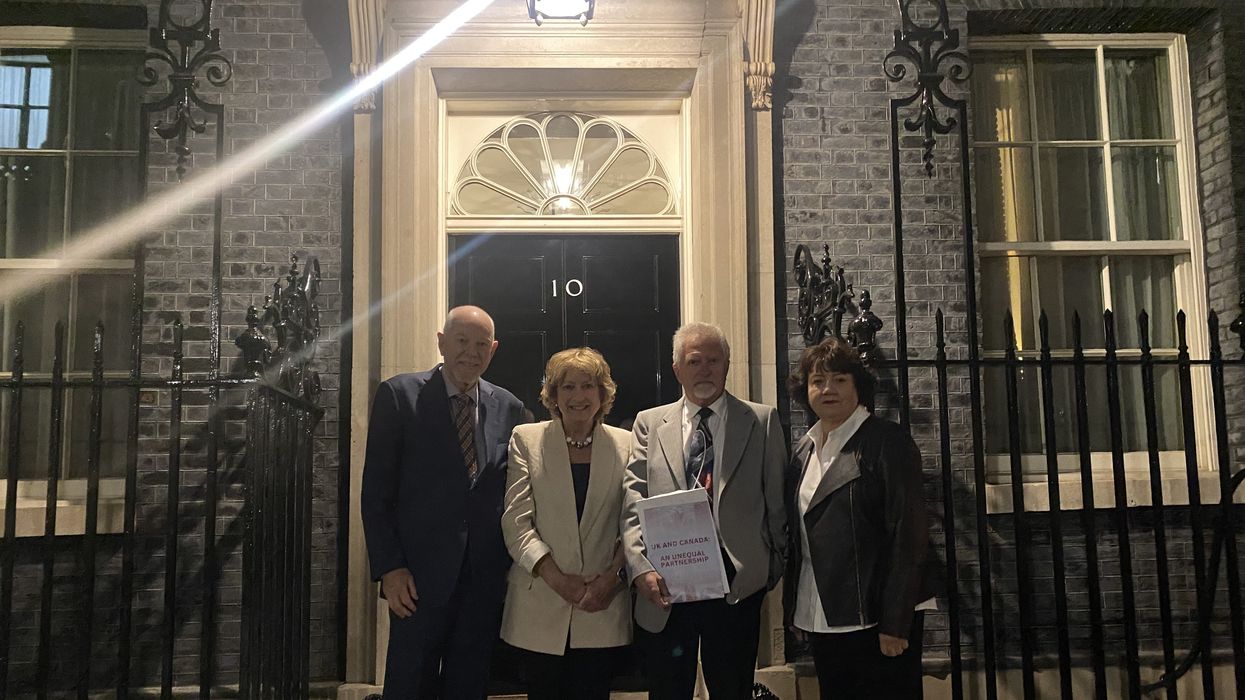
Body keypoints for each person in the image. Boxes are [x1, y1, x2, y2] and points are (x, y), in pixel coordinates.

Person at [360, 305, 527, 699]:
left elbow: (512, 492)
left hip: (482, 581)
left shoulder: (510, 407)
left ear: (494, 348)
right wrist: (390, 568)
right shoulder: (398, 396)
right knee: (409, 683)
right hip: (415, 579)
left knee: (469, 685)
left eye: (481, 344)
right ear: (441, 342)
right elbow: (376, 492)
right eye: (461, 341)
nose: (471, 352)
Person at [620, 322, 788, 700]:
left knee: (732, 688)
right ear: (677, 368)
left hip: (737, 581)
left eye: (714, 360)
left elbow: (776, 500)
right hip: (666, 580)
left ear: (727, 365)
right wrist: (639, 567)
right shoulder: (649, 424)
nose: (705, 369)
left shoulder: (761, 421)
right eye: (695, 361)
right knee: (668, 689)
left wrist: (772, 566)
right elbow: (633, 501)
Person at [783, 337, 936, 699]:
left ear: (858, 385)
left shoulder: (887, 442)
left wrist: (896, 622)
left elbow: (909, 535)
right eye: (817, 380)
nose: (827, 389)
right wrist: (797, 608)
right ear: (805, 390)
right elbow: (800, 538)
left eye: (839, 379)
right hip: (825, 615)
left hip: (877, 618)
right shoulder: (803, 449)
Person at [499, 347, 633, 700]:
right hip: (541, 605)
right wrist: (561, 582)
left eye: (587, 386)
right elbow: (516, 522)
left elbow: (634, 523)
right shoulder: (526, 439)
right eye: (567, 387)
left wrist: (612, 579)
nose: (578, 396)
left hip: (602, 605)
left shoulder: (628, 444)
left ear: (602, 393)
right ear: (553, 395)